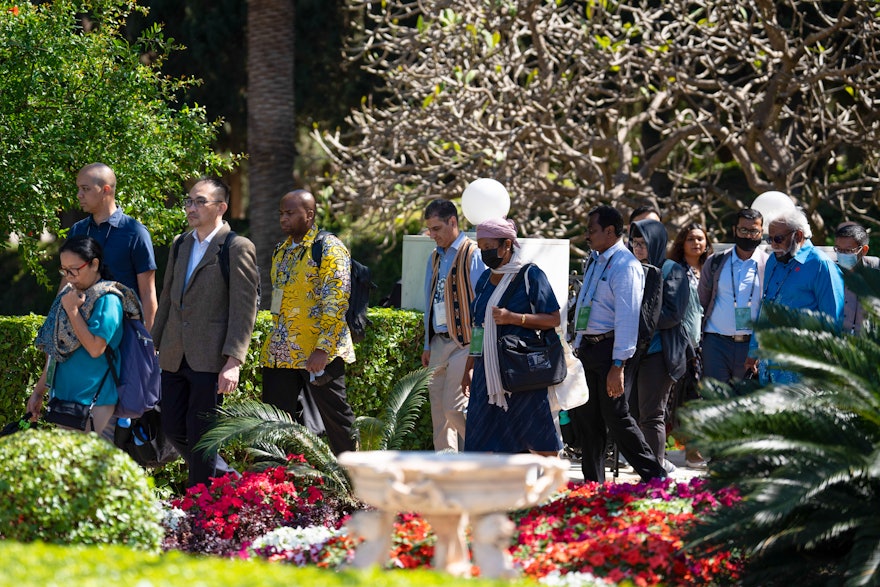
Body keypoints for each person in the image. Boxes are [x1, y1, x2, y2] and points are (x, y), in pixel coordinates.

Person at [152, 177, 259, 487]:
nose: (191, 207)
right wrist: (155, 343)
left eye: (200, 201)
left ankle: (201, 502)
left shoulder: (237, 246)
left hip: (210, 358)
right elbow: (169, 294)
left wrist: (233, 361)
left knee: (201, 433)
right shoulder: (180, 243)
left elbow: (244, 308)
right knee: (171, 427)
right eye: (189, 201)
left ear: (221, 207)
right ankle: (226, 478)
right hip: (174, 353)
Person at [569, 205, 666, 483]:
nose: (587, 236)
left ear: (610, 232)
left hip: (610, 351)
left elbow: (627, 319)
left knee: (617, 419)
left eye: (592, 230)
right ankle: (592, 485)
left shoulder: (625, 265)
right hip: (588, 349)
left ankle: (655, 477)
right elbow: (585, 305)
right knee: (588, 421)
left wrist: (618, 365)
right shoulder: (595, 259)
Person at [260, 189, 357, 455]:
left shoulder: (329, 248)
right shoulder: (281, 250)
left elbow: (336, 301)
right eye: (281, 213)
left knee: (335, 418)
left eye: (290, 213)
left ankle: (354, 477)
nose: (283, 219)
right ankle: (280, 482)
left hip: (318, 353)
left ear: (310, 214)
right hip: (281, 352)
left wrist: (323, 349)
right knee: (275, 420)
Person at [460, 217, 561, 456]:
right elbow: (479, 327)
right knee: (481, 443)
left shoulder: (530, 275)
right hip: (487, 373)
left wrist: (513, 318)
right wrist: (469, 366)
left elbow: (553, 319)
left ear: (507, 245)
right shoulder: (485, 280)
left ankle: (547, 490)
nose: (484, 253)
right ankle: (492, 491)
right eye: (481, 247)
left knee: (538, 442)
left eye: (488, 247)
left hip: (520, 372)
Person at [27, 235, 125, 434]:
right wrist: (39, 392)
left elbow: (96, 348)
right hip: (64, 402)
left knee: (88, 464)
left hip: (94, 404)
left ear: (94, 264)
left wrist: (72, 312)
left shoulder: (108, 299)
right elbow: (58, 350)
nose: (69, 276)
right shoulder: (69, 295)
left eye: (74, 270)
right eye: (64, 270)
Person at [749, 208, 845, 382]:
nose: (773, 245)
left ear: (798, 236)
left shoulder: (821, 265)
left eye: (778, 239)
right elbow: (766, 307)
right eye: (770, 239)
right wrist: (753, 349)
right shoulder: (773, 261)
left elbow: (833, 322)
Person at [422, 199, 486, 451]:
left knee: (453, 408)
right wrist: (428, 343)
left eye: (436, 228)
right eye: (430, 229)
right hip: (438, 342)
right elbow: (429, 301)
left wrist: (477, 349)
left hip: (464, 342)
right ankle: (447, 473)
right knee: (439, 415)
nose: (432, 235)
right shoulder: (434, 258)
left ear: (453, 222)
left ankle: (483, 454)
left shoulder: (474, 253)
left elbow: (482, 305)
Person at [628, 219, 690, 473]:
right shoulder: (630, 268)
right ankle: (645, 465)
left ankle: (654, 472)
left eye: (643, 243)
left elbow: (673, 313)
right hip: (633, 351)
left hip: (659, 353)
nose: (638, 248)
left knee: (652, 414)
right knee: (632, 413)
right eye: (634, 243)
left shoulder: (670, 270)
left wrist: (638, 319)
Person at [68, 163, 158, 331]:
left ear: (106, 189)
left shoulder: (135, 232)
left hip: (124, 332)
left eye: (85, 189)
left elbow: (148, 293)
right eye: (78, 188)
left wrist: (150, 343)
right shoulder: (78, 230)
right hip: (80, 331)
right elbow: (67, 283)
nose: (79, 195)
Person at [699, 209, 768, 383]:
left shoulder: (770, 265)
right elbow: (702, 301)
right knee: (716, 402)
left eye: (754, 231)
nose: (748, 236)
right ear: (734, 230)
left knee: (747, 404)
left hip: (752, 345)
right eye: (743, 230)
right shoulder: (715, 261)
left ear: (761, 232)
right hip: (716, 343)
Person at [834, 222, 879, 336]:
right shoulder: (830, 271)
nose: (842, 254)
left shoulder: (876, 270)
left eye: (848, 250)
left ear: (864, 250)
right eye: (838, 249)